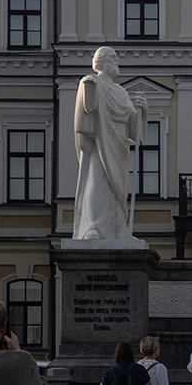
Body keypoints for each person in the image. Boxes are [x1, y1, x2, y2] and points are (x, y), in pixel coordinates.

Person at [73, 45, 149, 240]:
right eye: (114, 58)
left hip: (119, 145)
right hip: (100, 141)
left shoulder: (121, 92)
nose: (117, 62)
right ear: (103, 62)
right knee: (97, 182)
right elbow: (89, 108)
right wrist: (89, 87)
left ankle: (118, 229)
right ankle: (93, 227)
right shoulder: (92, 82)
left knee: (117, 191)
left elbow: (134, 130)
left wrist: (142, 111)